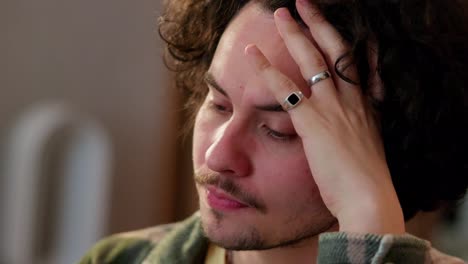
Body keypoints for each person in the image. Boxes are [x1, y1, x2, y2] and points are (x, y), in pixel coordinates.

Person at [80, 0, 468, 263]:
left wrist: (368, 218)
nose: (218, 156)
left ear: (392, 147)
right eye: (219, 104)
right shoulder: (119, 257)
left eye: (280, 130)